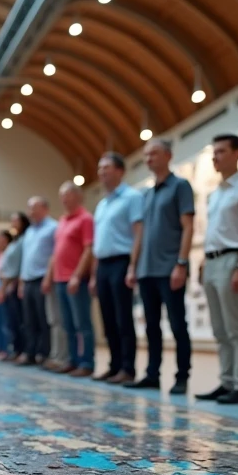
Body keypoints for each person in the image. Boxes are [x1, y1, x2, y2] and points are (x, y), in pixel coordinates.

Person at [196, 135, 238, 405]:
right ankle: (226, 382)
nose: (215, 157)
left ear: (236, 153)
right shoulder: (215, 193)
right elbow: (215, 231)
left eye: (221, 151)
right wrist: (203, 260)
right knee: (220, 328)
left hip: (232, 260)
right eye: (214, 152)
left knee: (236, 327)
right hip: (212, 261)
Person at [127, 138, 194, 394]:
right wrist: (133, 266)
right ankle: (152, 373)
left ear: (168, 155)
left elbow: (188, 226)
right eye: (145, 155)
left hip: (170, 268)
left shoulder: (180, 186)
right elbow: (140, 234)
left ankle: (182, 376)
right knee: (151, 325)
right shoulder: (145, 193)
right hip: (146, 270)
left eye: (153, 153)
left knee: (178, 324)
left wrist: (182, 263)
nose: (148, 159)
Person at [92, 154, 142, 383]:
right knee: (108, 318)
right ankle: (114, 365)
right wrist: (94, 274)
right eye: (100, 168)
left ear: (120, 171)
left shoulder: (132, 197)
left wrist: (133, 266)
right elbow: (97, 243)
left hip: (121, 261)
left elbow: (138, 233)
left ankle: (127, 368)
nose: (102, 172)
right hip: (103, 264)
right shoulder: (102, 204)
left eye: (107, 167)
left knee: (123, 317)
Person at [44, 182, 95, 377]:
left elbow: (88, 249)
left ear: (78, 196)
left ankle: (87, 362)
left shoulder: (85, 219)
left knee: (82, 323)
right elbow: (56, 253)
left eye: (67, 195)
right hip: (59, 280)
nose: (63, 199)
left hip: (76, 280)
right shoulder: (62, 221)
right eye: (61, 196)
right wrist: (50, 277)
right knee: (67, 324)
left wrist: (77, 275)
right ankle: (72, 359)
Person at [17, 198, 57, 366]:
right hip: (28, 280)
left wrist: (48, 277)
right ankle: (30, 352)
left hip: (42, 278)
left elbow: (54, 255)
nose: (31, 212)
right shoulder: (30, 232)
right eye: (29, 208)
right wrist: (21, 281)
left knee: (43, 318)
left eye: (34, 208)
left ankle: (44, 352)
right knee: (29, 320)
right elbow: (25, 258)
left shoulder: (53, 227)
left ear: (45, 208)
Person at [2, 212, 28, 361]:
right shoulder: (15, 241)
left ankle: (25, 350)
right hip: (10, 283)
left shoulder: (24, 239)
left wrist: (17, 281)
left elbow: (20, 263)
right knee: (13, 321)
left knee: (21, 320)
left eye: (15, 220)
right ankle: (17, 349)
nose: (12, 223)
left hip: (17, 281)